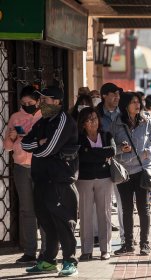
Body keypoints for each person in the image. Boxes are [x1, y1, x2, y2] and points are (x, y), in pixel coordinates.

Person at [21, 86, 79, 276]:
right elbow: (24, 143)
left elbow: (50, 149)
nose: (42, 103)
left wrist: (40, 146)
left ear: (57, 102)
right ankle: (48, 261)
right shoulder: (42, 121)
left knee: (63, 222)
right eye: (42, 99)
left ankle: (70, 261)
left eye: (46, 99)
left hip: (59, 181)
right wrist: (40, 142)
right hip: (42, 180)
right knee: (46, 223)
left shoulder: (63, 120)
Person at [111, 92, 151, 256]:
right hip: (124, 172)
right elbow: (110, 147)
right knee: (126, 209)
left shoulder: (147, 122)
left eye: (138, 102)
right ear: (126, 105)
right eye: (133, 102)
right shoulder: (116, 123)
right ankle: (128, 244)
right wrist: (120, 149)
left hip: (142, 171)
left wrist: (149, 151)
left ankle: (144, 244)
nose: (137, 104)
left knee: (143, 209)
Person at [4, 86, 45, 264]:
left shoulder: (45, 116)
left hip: (41, 167)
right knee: (27, 210)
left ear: (38, 101)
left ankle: (46, 250)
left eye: (31, 103)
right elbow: (6, 146)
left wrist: (28, 135)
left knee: (44, 209)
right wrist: (12, 137)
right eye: (24, 103)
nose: (27, 105)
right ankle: (30, 251)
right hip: (21, 168)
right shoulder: (15, 117)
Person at [76, 107, 115, 261]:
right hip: (84, 179)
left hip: (105, 179)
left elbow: (112, 151)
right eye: (89, 119)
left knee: (104, 214)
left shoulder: (106, 135)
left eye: (95, 118)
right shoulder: (78, 138)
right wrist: (100, 154)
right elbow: (81, 156)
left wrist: (90, 152)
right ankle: (86, 250)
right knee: (85, 215)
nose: (93, 122)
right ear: (83, 123)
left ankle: (106, 249)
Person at [95, 82, 125, 250]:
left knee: (123, 204)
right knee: (104, 205)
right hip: (102, 164)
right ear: (104, 95)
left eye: (118, 95)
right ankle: (102, 239)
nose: (117, 97)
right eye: (114, 94)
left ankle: (125, 237)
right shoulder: (96, 115)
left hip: (123, 164)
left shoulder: (124, 114)